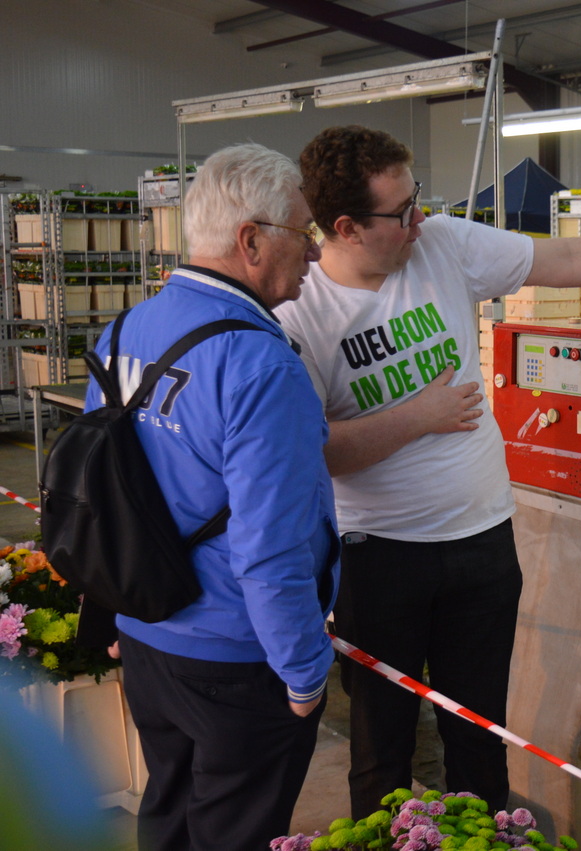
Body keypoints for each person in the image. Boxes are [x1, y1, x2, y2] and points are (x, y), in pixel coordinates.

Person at [275, 125, 581, 818]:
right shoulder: (301, 312)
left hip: (482, 543)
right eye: (401, 212)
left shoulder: (441, 244)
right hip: (377, 556)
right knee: (382, 747)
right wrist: (420, 415)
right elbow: (310, 451)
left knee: (479, 733)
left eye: (418, 199)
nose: (420, 220)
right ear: (346, 227)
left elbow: (566, 256)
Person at [86, 143, 341, 851]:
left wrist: (111, 607)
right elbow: (272, 545)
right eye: (304, 231)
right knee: (235, 831)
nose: (315, 252)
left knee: (168, 812)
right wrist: (304, 671)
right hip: (236, 654)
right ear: (250, 240)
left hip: (146, 631)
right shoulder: (262, 364)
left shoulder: (122, 331)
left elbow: (99, 494)